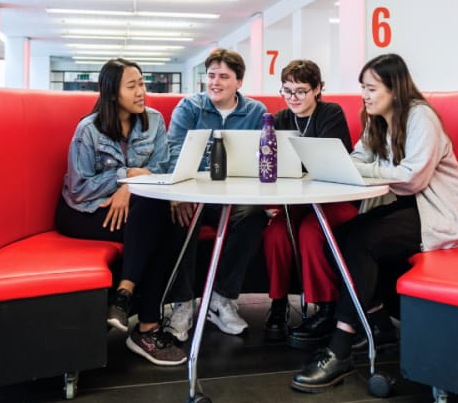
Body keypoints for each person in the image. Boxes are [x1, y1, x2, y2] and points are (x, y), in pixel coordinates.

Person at [292, 53, 458, 393]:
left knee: (361, 242)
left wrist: (363, 169)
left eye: (371, 88)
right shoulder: (376, 119)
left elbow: (413, 178)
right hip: (403, 207)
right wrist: (346, 164)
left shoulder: (422, 118)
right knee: (339, 237)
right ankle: (377, 323)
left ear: (395, 88)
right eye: (362, 87)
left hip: (438, 213)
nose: (365, 95)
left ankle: (341, 348)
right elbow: (358, 157)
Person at [55, 59, 187, 366]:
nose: (142, 91)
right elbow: (79, 187)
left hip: (136, 209)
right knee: (158, 221)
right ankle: (146, 328)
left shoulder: (153, 120)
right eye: (133, 86)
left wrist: (130, 186)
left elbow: (162, 169)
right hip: (84, 211)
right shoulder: (88, 129)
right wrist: (126, 178)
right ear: (112, 93)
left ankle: (124, 295)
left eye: (142, 83)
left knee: (162, 216)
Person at [162, 48, 268, 339]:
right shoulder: (190, 107)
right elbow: (173, 153)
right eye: (211, 76)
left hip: (233, 197)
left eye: (224, 76)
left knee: (255, 216)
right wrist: (178, 192)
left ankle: (221, 298)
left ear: (239, 82)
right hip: (195, 194)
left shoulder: (256, 112)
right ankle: (183, 303)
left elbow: (262, 158)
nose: (215, 82)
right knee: (179, 217)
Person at [258, 59, 357, 347]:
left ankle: (325, 309)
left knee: (311, 232)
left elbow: (329, 165)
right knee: (276, 232)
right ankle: (278, 304)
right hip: (298, 203)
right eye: (286, 91)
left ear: (317, 90)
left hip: (334, 200)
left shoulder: (330, 113)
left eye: (300, 91)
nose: (293, 99)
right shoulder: (278, 120)